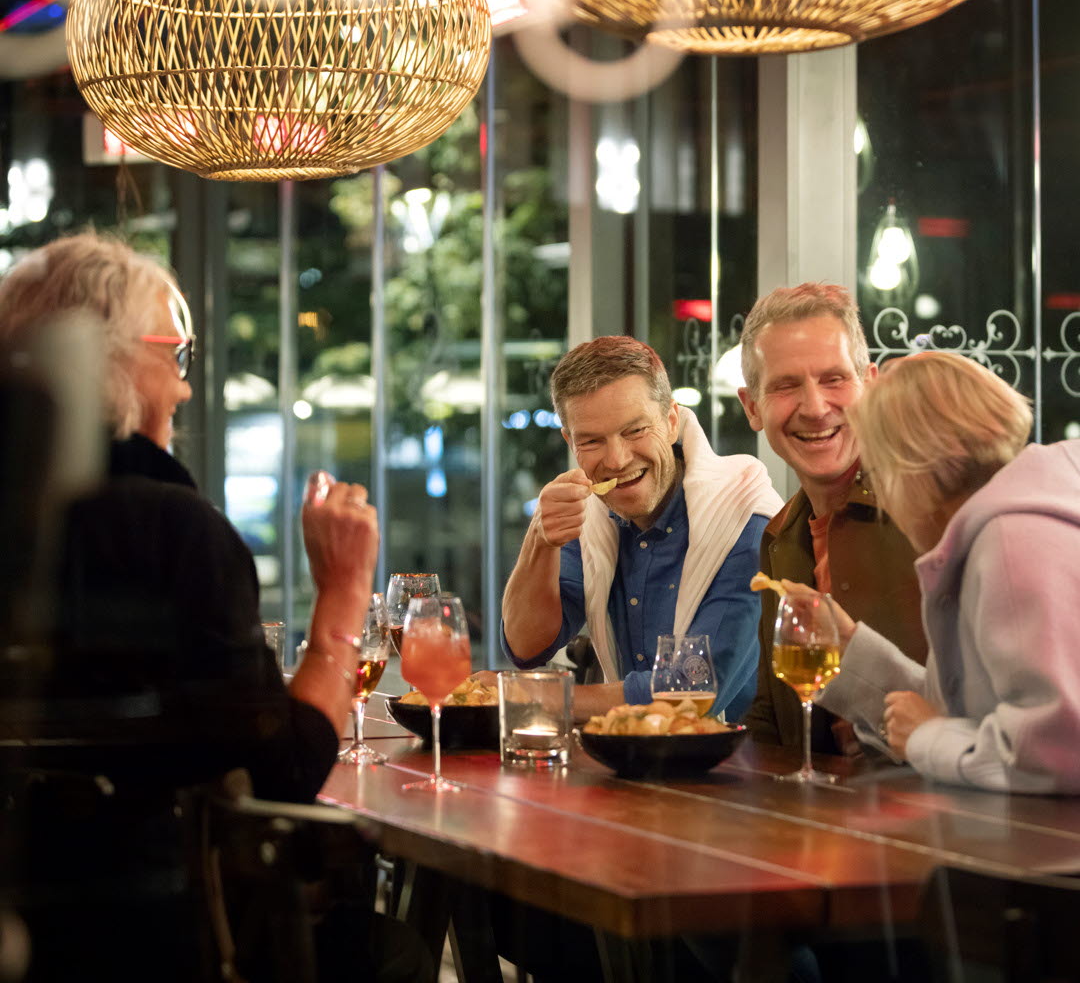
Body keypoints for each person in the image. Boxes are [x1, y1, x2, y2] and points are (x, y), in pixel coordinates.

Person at [0, 233, 425, 980]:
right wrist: (342, 597)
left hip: (26, 928)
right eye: (176, 354)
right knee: (390, 952)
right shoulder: (172, 532)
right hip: (162, 936)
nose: (186, 387)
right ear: (111, 360)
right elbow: (282, 774)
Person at [815, 351, 1080, 792]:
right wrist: (850, 649)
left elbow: (1057, 751)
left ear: (916, 464)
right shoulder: (1020, 518)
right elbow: (972, 713)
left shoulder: (1010, 543)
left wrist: (927, 737)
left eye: (879, 471)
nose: (883, 497)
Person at [501, 335, 782, 721]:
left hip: (743, 768)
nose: (616, 460)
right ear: (570, 441)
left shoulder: (744, 519)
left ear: (670, 422)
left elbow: (693, 691)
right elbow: (525, 646)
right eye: (592, 441)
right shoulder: (592, 513)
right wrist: (541, 539)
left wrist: (541, 697)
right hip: (628, 759)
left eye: (634, 431)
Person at [736, 283, 925, 753]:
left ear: (871, 384)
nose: (815, 408)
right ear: (752, 407)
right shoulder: (779, 537)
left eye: (834, 379)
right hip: (825, 817)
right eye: (785, 385)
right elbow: (772, 714)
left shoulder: (930, 508)